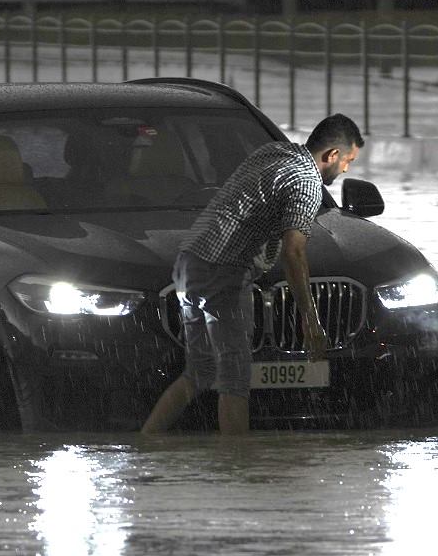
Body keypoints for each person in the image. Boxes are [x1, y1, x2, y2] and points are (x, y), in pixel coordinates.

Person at [141, 113, 363, 436]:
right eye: (347, 161)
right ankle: (237, 463)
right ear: (331, 155)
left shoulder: (273, 151)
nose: (346, 169)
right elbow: (294, 253)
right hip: (226, 270)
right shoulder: (307, 183)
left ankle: (147, 444)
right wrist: (310, 319)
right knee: (235, 380)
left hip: (190, 262)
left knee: (200, 370)